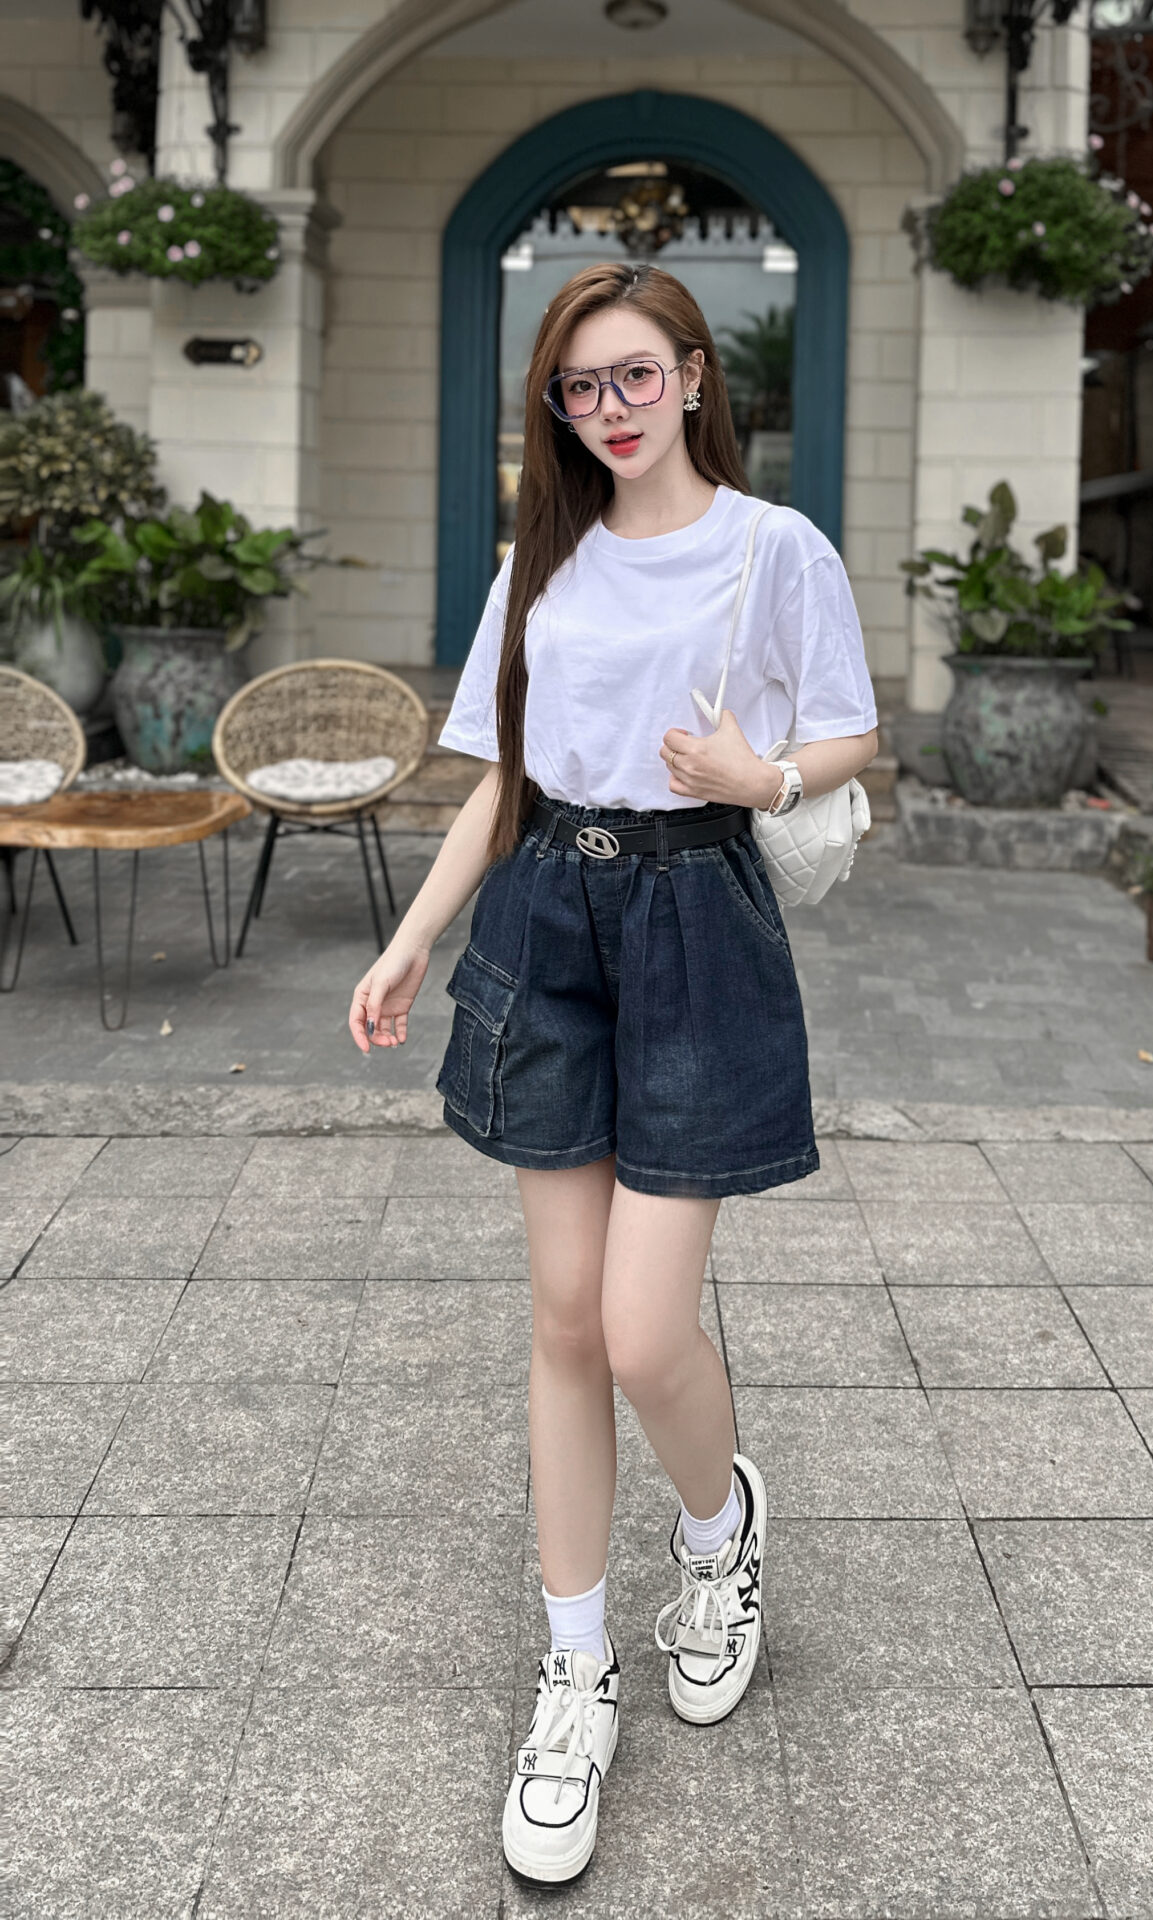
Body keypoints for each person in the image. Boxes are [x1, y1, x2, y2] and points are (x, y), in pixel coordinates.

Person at [349, 259, 879, 1887]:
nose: (609, 409)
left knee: (648, 1330)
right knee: (566, 1322)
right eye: (579, 387)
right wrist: (412, 939)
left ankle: (719, 1535)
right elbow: (502, 778)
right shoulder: (545, 557)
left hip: (697, 920)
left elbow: (851, 734)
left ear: (696, 376)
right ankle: (574, 1674)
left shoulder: (776, 549)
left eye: (636, 375)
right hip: (547, 920)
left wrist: (756, 772)